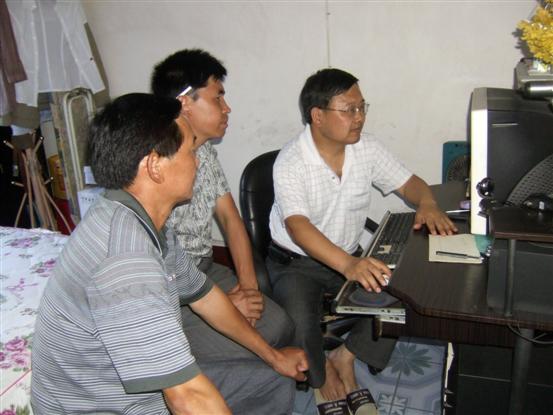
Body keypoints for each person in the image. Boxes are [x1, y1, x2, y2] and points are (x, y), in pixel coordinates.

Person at [30, 93, 308, 414]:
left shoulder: (141, 217)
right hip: (109, 406)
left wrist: (274, 357)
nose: (198, 161)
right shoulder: (127, 265)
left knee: (273, 381)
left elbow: (204, 296)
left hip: (132, 388)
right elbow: (187, 398)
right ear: (154, 166)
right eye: (190, 150)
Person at [267, 68, 457, 410]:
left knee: (406, 295)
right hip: (296, 263)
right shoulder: (291, 161)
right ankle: (322, 376)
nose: (359, 117)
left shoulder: (366, 148)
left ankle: (346, 356)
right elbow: (298, 227)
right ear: (318, 116)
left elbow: (410, 184)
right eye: (349, 109)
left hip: (349, 255)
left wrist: (427, 203)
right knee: (296, 319)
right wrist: (349, 264)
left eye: (362, 107)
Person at [150, 49, 295, 363]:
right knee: (257, 348)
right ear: (185, 102)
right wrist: (223, 306)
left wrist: (249, 290)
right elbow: (154, 275)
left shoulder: (202, 152)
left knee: (279, 326)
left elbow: (230, 220)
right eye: (218, 98)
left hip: (204, 270)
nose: (227, 108)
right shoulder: (157, 167)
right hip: (171, 293)